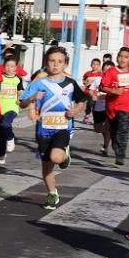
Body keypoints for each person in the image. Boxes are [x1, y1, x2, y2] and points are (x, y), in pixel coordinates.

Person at [20, 46, 87, 210]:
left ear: (65, 65)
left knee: (56, 157)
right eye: (52, 61)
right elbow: (21, 102)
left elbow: (82, 101)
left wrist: (75, 111)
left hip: (63, 127)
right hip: (43, 129)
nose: (55, 65)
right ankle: (52, 193)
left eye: (59, 62)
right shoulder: (39, 83)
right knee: (47, 165)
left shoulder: (70, 84)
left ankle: (64, 157)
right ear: (46, 63)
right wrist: (33, 98)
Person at [99, 47, 129, 166]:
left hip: (128, 107)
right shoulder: (111, 72)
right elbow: (102, 87)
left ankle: (120, 155)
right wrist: (114, 91)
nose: (123, 59)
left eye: (126, 57)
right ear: (117, 58)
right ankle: (116, 146)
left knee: (123, 129)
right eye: (121, 56)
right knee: (113, 132)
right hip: (112, 107)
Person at [0, 57, 24, 164]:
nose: (9, 68)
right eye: (7, 66)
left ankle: (11, 137)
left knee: (6, 124)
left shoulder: (18, 79)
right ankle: (2, 155)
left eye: (12, 66)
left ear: (16, 68)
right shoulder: (0, 78)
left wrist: (19, 98)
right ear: (4, 66)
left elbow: (20, 91)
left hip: (12, 107)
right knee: (1, 133)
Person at [92, 60, 115, 156]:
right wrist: (93, 95)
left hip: (110, 107)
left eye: (110, 71)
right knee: (98, 129)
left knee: (108, 127)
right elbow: (91, 90)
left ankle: (105, 146)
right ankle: (107, 135)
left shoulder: (115, 82)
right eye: (105, 71)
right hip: (98, 107)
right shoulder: (98, 80)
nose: (107, 73)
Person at [82, 58, 104, 125]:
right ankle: (87, 114)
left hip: (96, 93)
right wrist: (86, 83)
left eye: (97, 64)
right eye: (93, 64)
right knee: (90, 103)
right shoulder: (88, 73)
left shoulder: (101, 74)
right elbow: (84, 81)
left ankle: (94, 118)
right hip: (88, 92)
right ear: (91, 65)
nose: (95, 66)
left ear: (99, 66)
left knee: (95, 106)